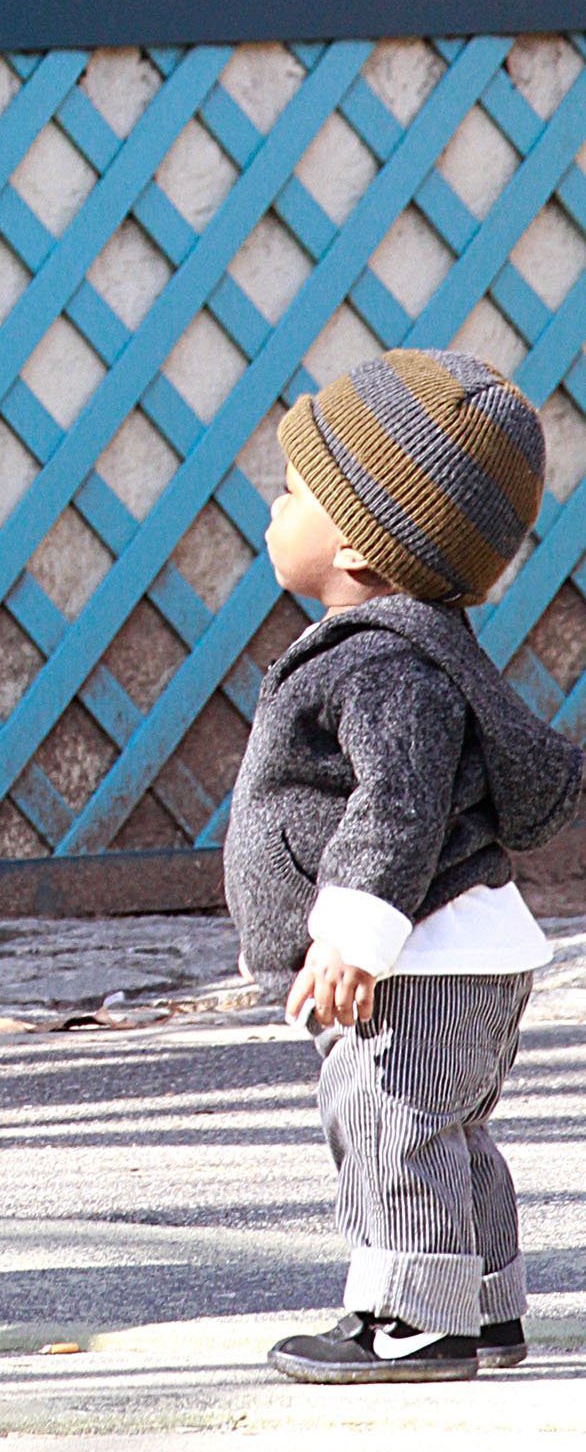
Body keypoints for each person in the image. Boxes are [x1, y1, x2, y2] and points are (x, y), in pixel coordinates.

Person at [226, 350, 584, 1387]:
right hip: (457, 952)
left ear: (351, 537)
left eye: (294, 488)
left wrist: (350, 939)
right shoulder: (416, 647)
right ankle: (484, 1304)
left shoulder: (383, 665)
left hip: (415, 959)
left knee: (388, 1125)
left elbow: (397, 807)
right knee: (453, 1133)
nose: (274, 503)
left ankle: (414, 1322)